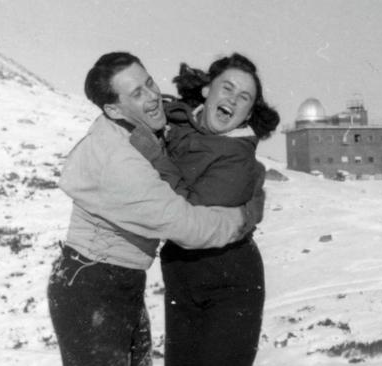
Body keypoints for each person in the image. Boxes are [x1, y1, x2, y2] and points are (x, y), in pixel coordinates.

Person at [47, 52, 263, 366]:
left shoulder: (128, 125)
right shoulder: (122, 162)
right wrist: (244, 216)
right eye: (137, 93)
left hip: (118, 281)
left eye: (149, 83)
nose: (152, 97)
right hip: (93, 286)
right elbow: (188, 226)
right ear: (112, 107)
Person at [155, 53, 279, 366]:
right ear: (208, 89)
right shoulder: (177, 121)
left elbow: (186, 215)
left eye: (244, 97)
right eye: (227, 88)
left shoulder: (238, 157)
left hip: (229, 281)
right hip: (181, 275)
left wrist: (155, 155)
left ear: (249, 112)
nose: (233, 100)